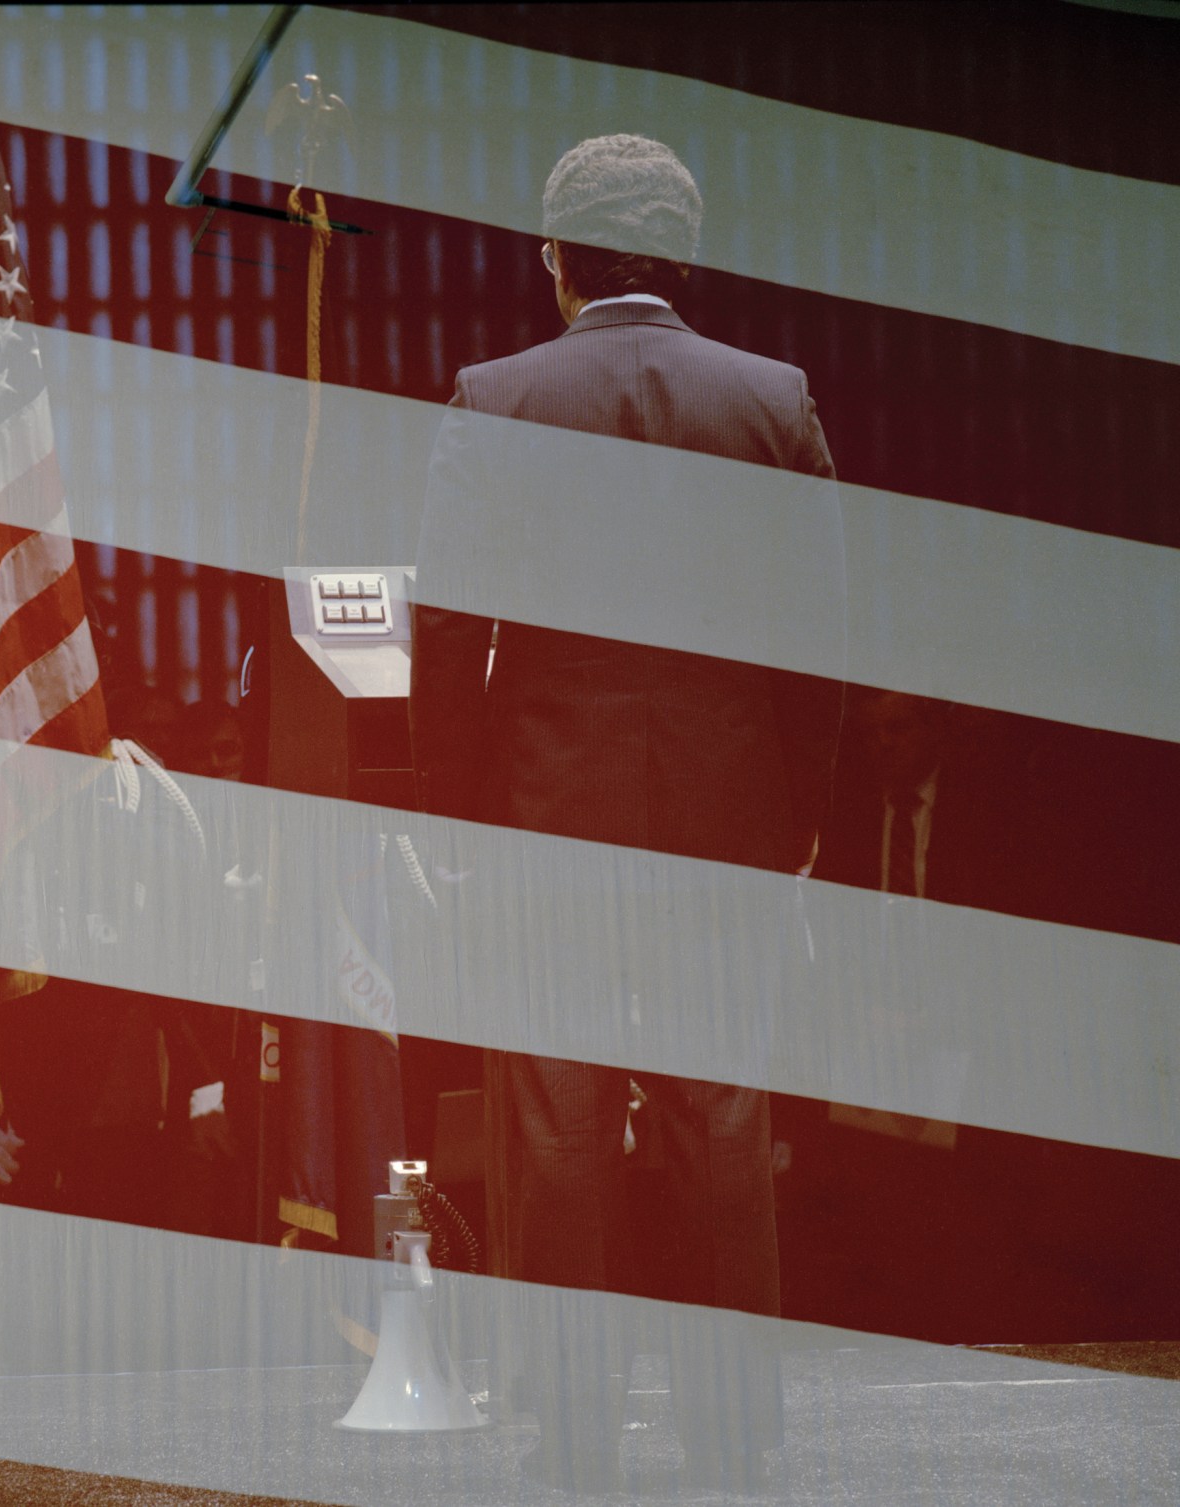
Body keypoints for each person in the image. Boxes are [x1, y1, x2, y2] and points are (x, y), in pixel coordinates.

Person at [410, 134, 840, 1493]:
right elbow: (819, 640)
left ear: (556, 259)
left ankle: (575, 1428)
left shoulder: (499, 395)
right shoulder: (772, 398)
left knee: (557, 1119)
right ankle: (732, 1431)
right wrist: (798, 819)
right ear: (684, 255)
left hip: (551, 816)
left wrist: (465, 811)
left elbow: (447, 635)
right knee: (722, 1117)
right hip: (723, 821)